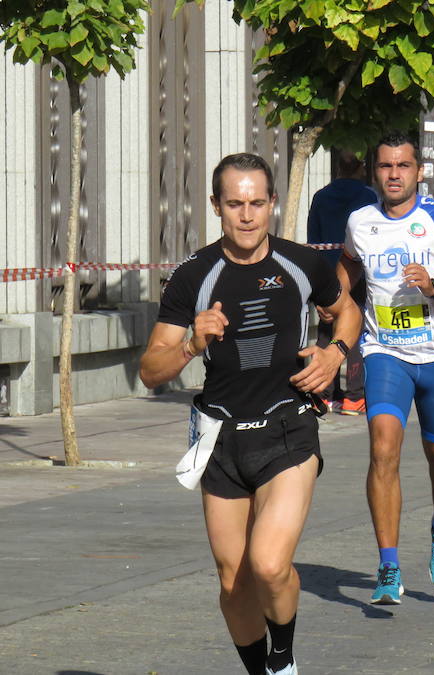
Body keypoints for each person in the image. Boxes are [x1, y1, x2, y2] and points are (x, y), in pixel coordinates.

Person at [139, 153, 361, 675]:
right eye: (235, 203)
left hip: (288, 429)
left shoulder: (301, 263)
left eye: (257, 203)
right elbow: (151, 370)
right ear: (216, 206)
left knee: (268, 563)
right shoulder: (194, 276)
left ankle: (283, 658)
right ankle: (260, 671)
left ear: (272, 205)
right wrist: (193, 342)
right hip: (220, 438)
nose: (247, 215)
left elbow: (346, 309)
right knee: (233, 577)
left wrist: (336, 353)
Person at [337, 131, 434, 605]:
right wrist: (336, 299)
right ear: (374, 172)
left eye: (403, 166)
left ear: (418, 171)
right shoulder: (360, 221)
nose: (395, 175)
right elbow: (347, 266)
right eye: (386, 167)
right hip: (385, 353)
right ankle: (388, 566)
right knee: (383, 449)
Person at [307, 149, 377, 415]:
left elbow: (313, 238)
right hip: (355, 271)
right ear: (360, 168)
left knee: (327, 332)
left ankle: (325, 394)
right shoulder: (368, 196)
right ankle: (354, 396)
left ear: (337, 169)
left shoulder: (321, 197)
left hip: (325, 272)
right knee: (355, 330)